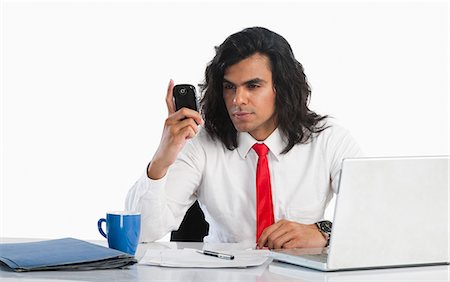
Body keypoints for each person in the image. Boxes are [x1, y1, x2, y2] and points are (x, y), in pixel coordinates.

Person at [126, 27, 362, 249]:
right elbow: (142, 233)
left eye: (253, 86)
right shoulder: (201, 143)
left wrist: (324, 232)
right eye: (230, 87)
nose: (238, 99)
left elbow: (378, 217)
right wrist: (162, 159)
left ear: (282, 87)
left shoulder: (328, 140)